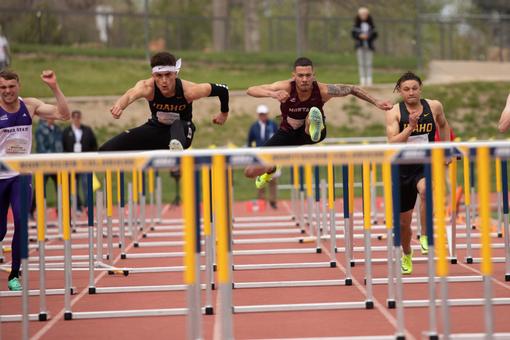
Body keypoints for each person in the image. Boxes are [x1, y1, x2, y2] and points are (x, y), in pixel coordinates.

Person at [244, 57, 392, 188]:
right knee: (250, 172)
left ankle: (313, 126)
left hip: (313, 132)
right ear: (293, 76)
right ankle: (271, 169)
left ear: (313, 75)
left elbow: (352, 89)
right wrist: (273, 94)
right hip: (287, 133)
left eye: (308, 75)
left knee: (313, 112)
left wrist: (376, 102)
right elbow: (250, 90)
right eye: (300, 76)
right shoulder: (285, 87)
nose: (304, 79)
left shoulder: (322, 90)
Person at [0, 69, 70, 291]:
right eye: (2, 87)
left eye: (11, 86)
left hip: (20, 175)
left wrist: (54, 87)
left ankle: (14, 274)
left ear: (18, 86)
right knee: (0, 231)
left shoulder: (29, 106)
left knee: (21, 222)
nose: (7, 91)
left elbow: (63, 114)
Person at [385, 71, 450, 275]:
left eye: (414, 88)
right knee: (404, 223)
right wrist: (410, 128)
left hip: (425, 162)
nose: (411, 92)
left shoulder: (434, 106)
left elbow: (444, 124)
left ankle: (425, 235)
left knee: (426, 191)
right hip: (403, 167)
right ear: (400, 91)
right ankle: (406, 254)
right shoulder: (395, 112)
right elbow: (392, 141)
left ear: (420, 88)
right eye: (406, 89)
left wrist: (446, 149)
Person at [99, 51, 229, 151]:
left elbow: (223, 89)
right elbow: (130, 94)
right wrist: (119, 106)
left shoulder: (189, 90)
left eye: (168, 75)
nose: (164, 81)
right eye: (159, 76)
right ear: (153, 76)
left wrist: (224, 113)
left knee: (177, 124)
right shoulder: (148, 87)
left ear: (175, 74)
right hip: (157, 130)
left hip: (182, 132)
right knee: (108, 148)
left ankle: (176, 151)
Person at [62, 110, 98, 212]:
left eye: (78, 117)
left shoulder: (87, 130)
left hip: (85, 161)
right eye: (75, 117)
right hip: (72, 162)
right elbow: (63, 147)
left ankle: (88, 205)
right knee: (73, 185)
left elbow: (94, 145)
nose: (77, 119)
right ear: (72, 119)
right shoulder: (66, 131)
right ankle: (77, 205)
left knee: (86, 184)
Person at [30, 118, 63, 218]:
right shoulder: (40, 129)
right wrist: (50, 159)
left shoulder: (57, 129)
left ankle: (61, 210)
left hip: (57, 164)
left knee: (61, 187)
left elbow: (59, 145)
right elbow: (41, 147)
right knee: (40, 189)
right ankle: (32, 210)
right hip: (44, 164)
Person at [247, 104, 279, 209]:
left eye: (264, 114)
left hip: (271, 156)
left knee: (272, 179)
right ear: (258, 115)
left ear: (267, 114)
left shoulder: (273, 125)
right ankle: (261, 201)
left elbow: (279, 138)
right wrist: (252, 154)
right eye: (261, 114)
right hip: (259, 157)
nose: (263, 116)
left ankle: (273, 201)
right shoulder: (254, 127)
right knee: (260, 179)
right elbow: (250, 141)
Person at [351, 7, 378, 86]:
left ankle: (369, 80)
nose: (363, 15)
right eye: (361, 14)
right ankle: (362, 80)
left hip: (369, 46)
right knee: (361, 63)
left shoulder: (371, 25)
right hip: (360, 46)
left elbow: (375, 34)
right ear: (359, 15)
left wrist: (368, 36)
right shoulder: (356, 25)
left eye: (365, 14)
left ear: (367, 15)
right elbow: (353, 34)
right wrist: (360, 36)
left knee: (368, 63)